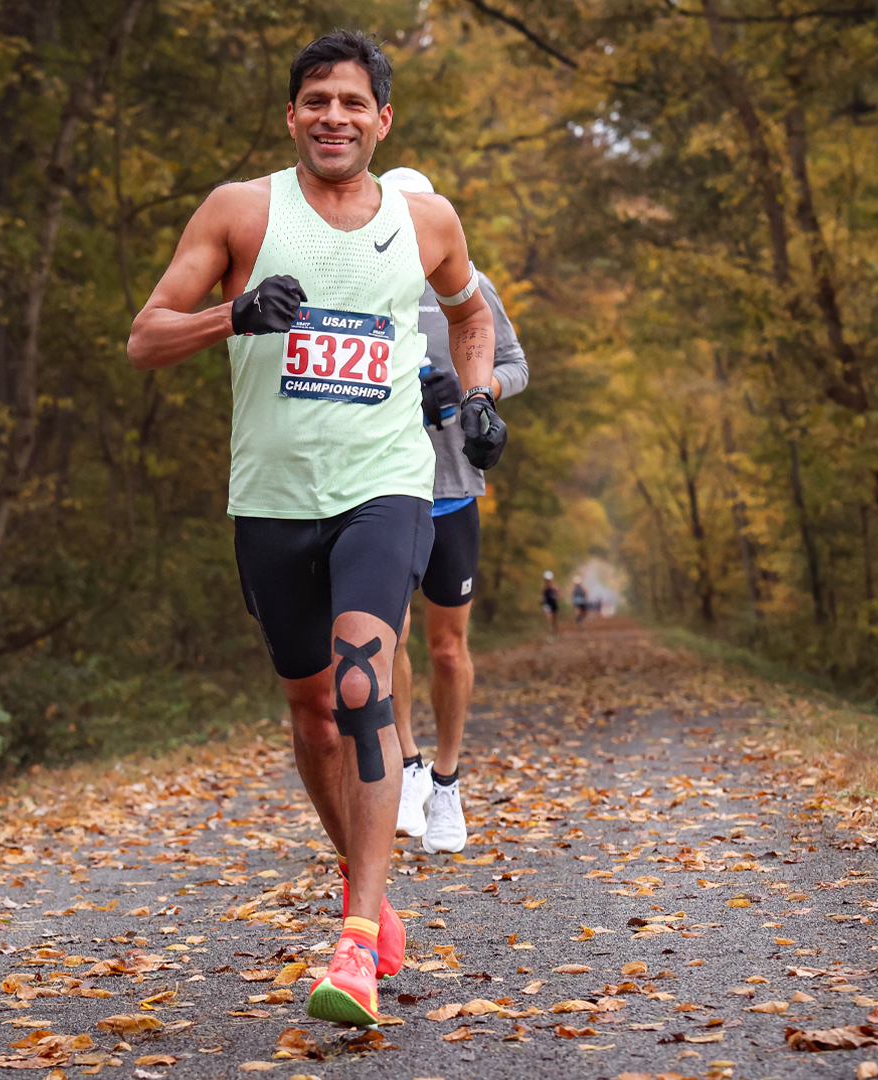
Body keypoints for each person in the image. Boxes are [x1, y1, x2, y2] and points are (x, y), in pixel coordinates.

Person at [125, 30, 506, 1029]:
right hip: (272, 501)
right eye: (315, 102)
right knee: (312, 716)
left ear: (384, 119)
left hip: (386, 488)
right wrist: (235, 315)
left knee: (361, 685)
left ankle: (356, 940)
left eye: (352, 102)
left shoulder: (427, 221)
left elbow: (471, 316)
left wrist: (476, 400)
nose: (333, 117)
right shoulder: (242, 210)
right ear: (291, 116)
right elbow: (146, 337)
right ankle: (364, 888)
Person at [377, 168, 528, 855]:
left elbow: (516, 363)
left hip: (451, 486)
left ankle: (446, 783)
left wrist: (477, 392)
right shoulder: (362, 282)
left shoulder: (467, 285)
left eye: (419, 214)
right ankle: (407, 765)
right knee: (389, 639)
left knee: (445, 646)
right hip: (378, 485)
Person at [541, 571, 560, 635]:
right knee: (549, 618)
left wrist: (556, 596)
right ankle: (550, 631)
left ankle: (555, 630)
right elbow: (543, 595)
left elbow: (559, 594)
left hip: (553, 603)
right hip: (547, 604)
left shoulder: (555, 586)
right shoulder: (544, 587)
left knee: (554, 619)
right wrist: (541, 599)